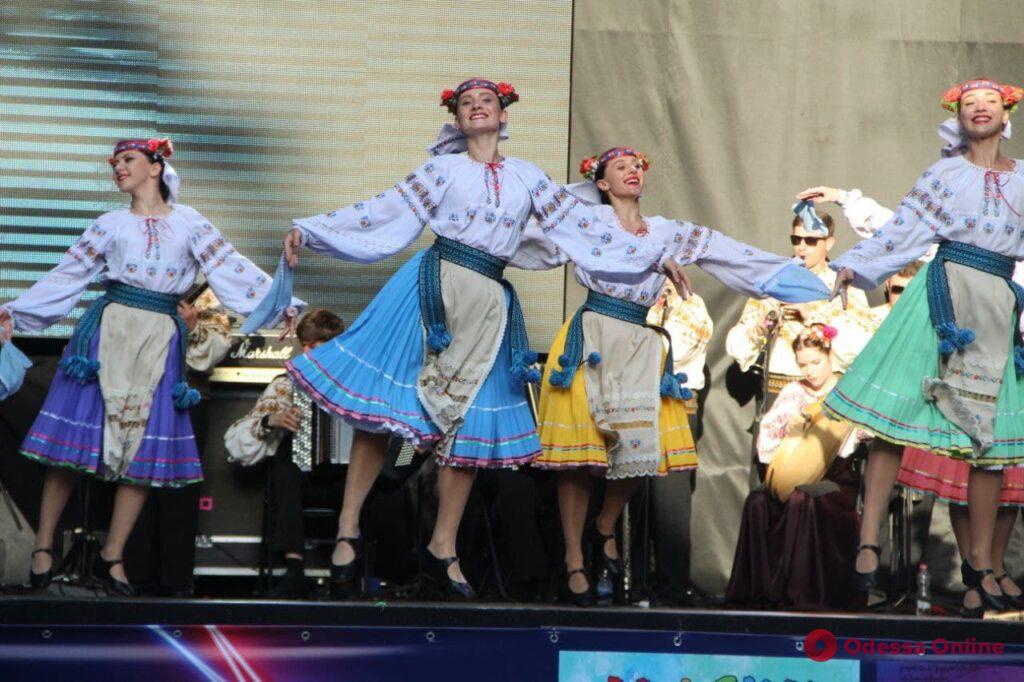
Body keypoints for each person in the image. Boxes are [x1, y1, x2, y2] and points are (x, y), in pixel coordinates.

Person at [275, 79, 693, 600]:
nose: (477, 107)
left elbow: (585, 228)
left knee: (470, 431)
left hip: (489, 300)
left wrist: (652, 254)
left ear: (503, 114)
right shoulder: (442, 170)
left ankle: (442, 546)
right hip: (433, 285)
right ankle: (347, 528)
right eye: (467, 103)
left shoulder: (527, 178)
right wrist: (311, 230)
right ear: (457, 117)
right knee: (386, 405)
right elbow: (381, 209)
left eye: (486, 101)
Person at [0, 137, 302, 596]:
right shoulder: (109, 224)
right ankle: (43, 549)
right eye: (114, 162)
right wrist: (15, 313)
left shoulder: (190, 223)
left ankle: (112, 556)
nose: (118, 168)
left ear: (156, 167)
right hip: (109, 332)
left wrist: (284, 305)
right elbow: (67, 276)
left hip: (159, 339)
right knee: (71, 445)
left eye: (128, 160)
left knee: (143, 453)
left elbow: (232, 268)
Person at [531, 147, 830, 605]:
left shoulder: (668, 231)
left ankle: (605, 523)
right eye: (619, 168)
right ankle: (574, 559)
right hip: (593, 335)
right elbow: (540, 224)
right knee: (582, 459)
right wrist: (653, 258)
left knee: (641, 450)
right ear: (602, 183)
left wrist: (800, 279)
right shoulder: (585, 222)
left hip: (638, 341)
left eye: (638, 166)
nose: (633, 171)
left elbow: (731, 253)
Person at [827, 78, 1024, 617]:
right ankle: (870, 539)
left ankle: (980, 563)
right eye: (968, 103)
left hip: (995, 304)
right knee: (895, 413)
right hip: (942, 292)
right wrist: (857, 264)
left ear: (1006, 112)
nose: (979, 108)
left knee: (986, 439)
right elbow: (904, 230)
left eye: (989, 102)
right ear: (957, 117)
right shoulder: (945, 173)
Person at [726, 324, 867, 610]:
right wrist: (790, 436)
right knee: (757, 501)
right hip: (796, 472)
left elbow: (865, 434)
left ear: (830, 356)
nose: (810, 371)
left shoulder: (847, 392)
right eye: (803, 365)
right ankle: (758, 594)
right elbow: (769, 441)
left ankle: (799, 595)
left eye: (815, 363)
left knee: (803, 499)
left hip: (837, 479)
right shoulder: (792, 392)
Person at [224, 309, 347, 598]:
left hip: (347, 482)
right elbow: (235, 443)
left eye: (313, 346)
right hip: (305, 480)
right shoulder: (286, 385)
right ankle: (294, 569)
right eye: (302, 345)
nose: (305, 352)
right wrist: (270, 421)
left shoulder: (358, 388)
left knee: (383, 480)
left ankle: (359, 571)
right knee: (285, 466)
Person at [123, 289, 233, 596]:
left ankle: (176, 579)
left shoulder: (206, 296)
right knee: (136, 481)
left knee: (181, 489)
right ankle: (134, 574)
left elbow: (217, 347)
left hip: (188, 399)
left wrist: (192, 328)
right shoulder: (139, 288)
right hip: (139, 396)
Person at [725, 206, 871, 402]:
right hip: (775, 390)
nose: (801, 247)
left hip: (823, 393)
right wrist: (758, 330)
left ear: (829, 243)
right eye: (796, 240)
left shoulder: (846, 287)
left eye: (810, 241)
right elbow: (737, 344)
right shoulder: (773, 282)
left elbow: (860, 346)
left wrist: (813, 317)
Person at [645, 279, 713, 604]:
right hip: (639, 407)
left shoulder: (692, 306)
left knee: (670, 499)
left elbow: (673, 352)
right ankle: (637, 579)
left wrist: (658, 313)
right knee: (636, 495)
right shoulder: (638, 302)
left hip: (676, 408)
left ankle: (672, 587)